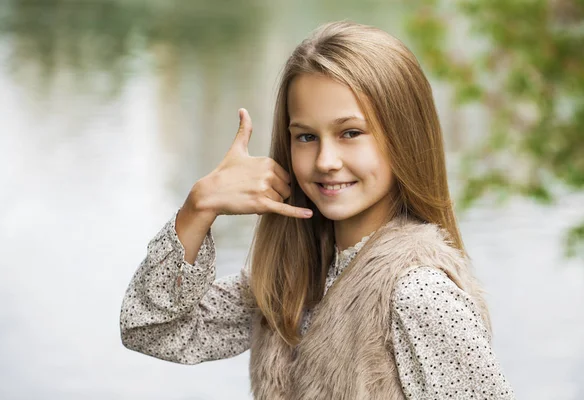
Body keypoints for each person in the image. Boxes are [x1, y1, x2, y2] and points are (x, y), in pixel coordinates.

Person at [120, 21, 515, 400]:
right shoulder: (291, 278)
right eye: (306, 137)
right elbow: (151, 328)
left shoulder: (419, 292)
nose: (326, 160)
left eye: (350, 133)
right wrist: (198, 207)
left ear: (404, 136)